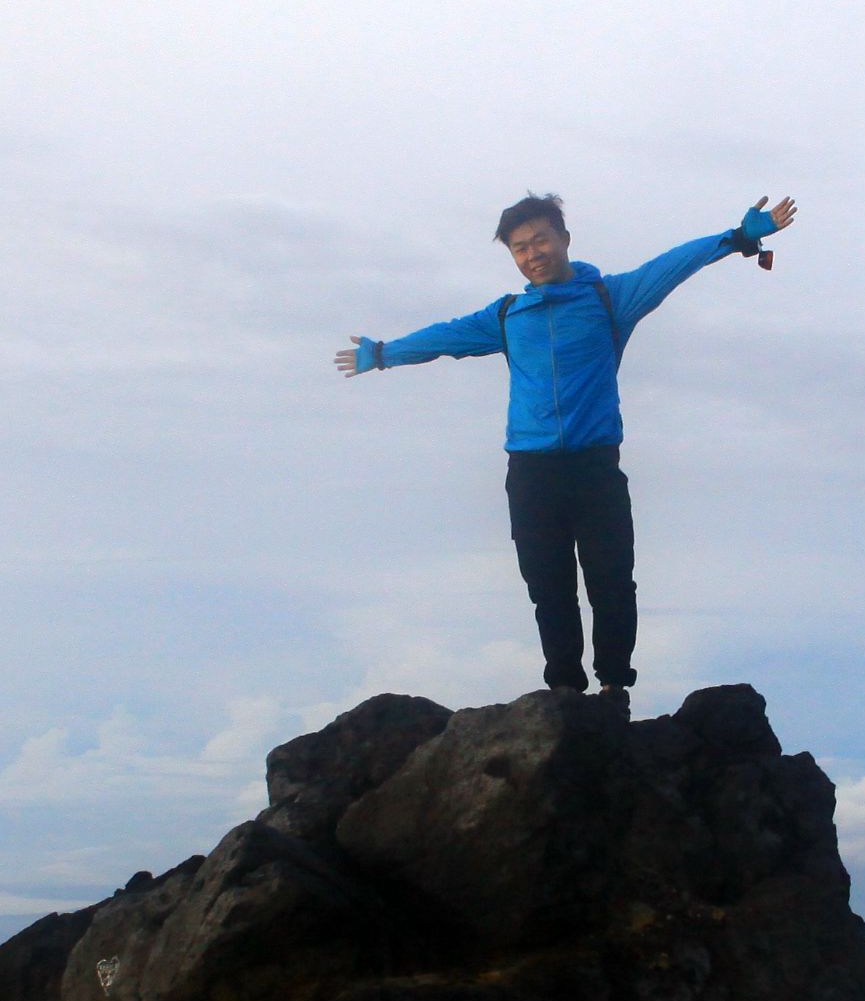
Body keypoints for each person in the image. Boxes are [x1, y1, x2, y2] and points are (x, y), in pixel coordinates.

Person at [337, 190, 798, 700]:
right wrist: (383, 354)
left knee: (612, 583)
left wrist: (736, 239)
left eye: (540, 241)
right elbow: (444, 338)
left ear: (564, 241)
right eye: (519, 248)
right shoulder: (508, 316)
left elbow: (671, 265)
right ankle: (563, 692)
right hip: (531, 473)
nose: (532, 254)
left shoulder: (610, 298)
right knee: (548, 589)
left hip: (595, 467)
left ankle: (614, 687)